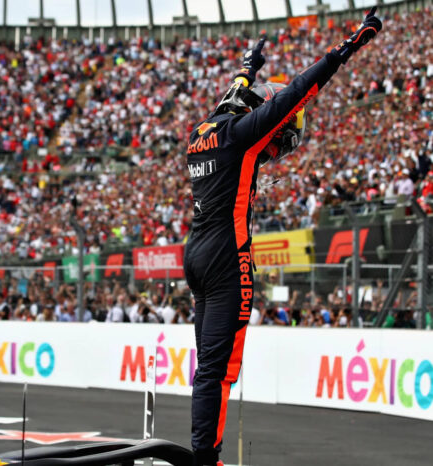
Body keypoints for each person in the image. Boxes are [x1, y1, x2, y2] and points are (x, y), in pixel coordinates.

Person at [182, 9, 382, 465]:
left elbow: (232, 95)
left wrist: (247, 68)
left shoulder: (200, 134)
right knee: (218, 372)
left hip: (194, 257)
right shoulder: (242, 137)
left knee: (206, 371)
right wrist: (349, 46)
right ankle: (204, 458)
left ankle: (202, 451)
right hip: (226, 261)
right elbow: (297, 93)